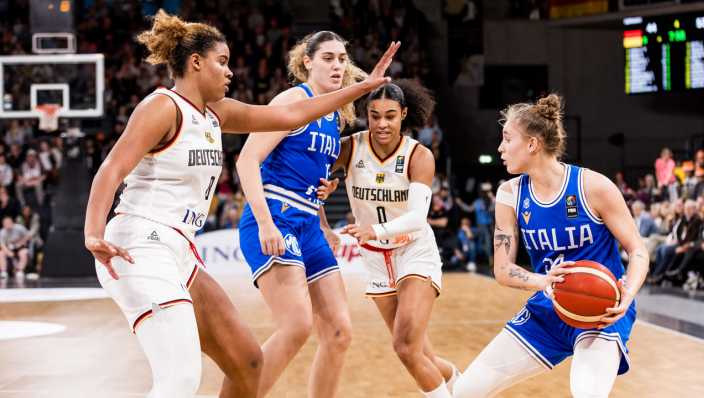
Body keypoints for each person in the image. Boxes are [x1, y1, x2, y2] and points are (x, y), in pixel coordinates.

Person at [84, 11, 399, 398]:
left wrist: (361, 88)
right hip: (140, 245)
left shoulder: (218, 112)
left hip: (181, 248)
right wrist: (92, 232)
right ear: (195, 63)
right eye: (222, 62)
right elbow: (111, 169)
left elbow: (290, 115)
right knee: (180, 378)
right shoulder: (163, 107)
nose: (230, 71)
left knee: (248, 362)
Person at [453, 94, 649, 398]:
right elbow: (503, 270)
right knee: (465, 391)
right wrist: (545, 281)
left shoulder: (593, 186)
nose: (500, 148)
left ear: (532, 144)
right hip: (549, 308)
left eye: (507, 139)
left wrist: (628, 293)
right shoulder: (509, 195)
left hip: (601, 311)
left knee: (587, 394)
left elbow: (638, 250)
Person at [237, 31, 376, 398]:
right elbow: (247, 159)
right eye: (328, 57)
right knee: (296, 326)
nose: (337, 65)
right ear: (307, 62)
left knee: (339, 332)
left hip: (309, 225)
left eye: (343, 59)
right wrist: (265, 221)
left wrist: (325, 222)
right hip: (274, 218)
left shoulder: (333, 115)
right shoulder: (293, 100)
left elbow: (312, 182)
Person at [323, 80, 460, 398]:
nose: (381, 123)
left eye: (390, 116)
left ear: (404, 115)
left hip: (413, 250)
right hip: (375, 259)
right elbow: (311, 182)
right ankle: (462, 383)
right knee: (420, 355)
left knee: (404, 346)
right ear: (366, 116)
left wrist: (376, 230)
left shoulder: (419, 155)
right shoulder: (350, 147)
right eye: (374, 116)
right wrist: (323, 218)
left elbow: (416, 216)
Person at [0, 215, 31, 280]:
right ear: (3, 224)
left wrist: (21, 242)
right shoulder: (2, 232)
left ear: (12, 222)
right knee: (1, 254)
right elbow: (2, 245)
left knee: (24, 253)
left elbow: (28, 236)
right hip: (9, 248)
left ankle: (20, 270)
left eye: (9, 223)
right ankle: (3, 271)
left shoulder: (19, 228)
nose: (8, 225)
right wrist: (8, 252)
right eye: (6, 223)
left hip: (20, 247)